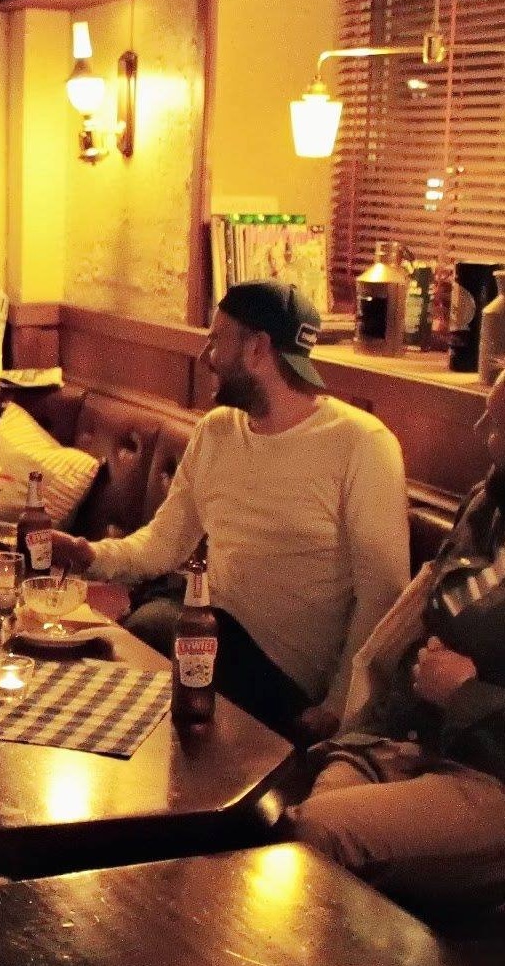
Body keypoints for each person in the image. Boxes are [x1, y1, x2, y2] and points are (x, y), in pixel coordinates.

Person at [49, 280, 409, 740]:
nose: (206, 356)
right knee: (106, 648)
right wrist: (90, 555)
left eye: (217, 340)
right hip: (203, 633)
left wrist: (338, 710)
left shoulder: (362, 443)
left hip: (282, 682)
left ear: (257, 349)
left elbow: (384, 595)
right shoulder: (217, 431)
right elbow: (164, 544)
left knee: (144, 633)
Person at [286, 367, 505, 911]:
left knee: (320, 831)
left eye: (499, 424)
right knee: (320, 802)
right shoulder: (488, 504)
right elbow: (424, 622)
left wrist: (463, 693)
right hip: (422, 743)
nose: (483, 433)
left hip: (492, 776)